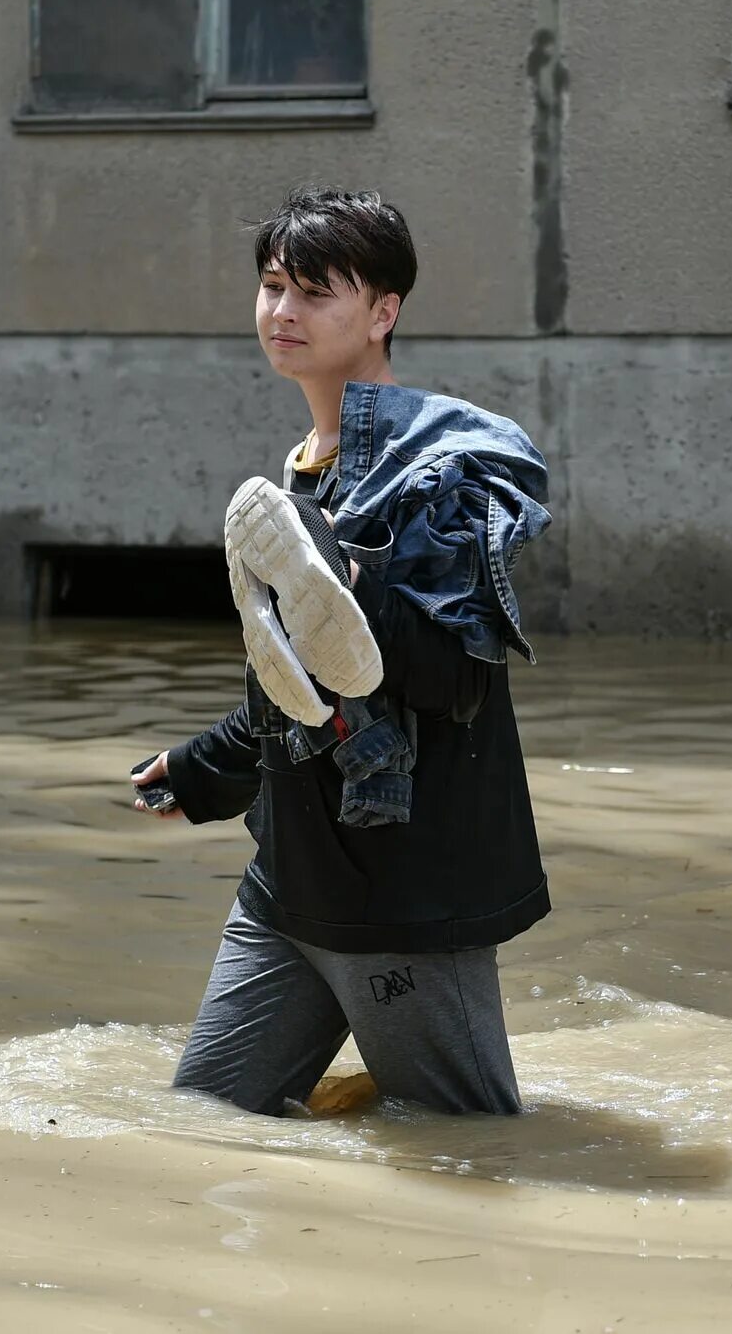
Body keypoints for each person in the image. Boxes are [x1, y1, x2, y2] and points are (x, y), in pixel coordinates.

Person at [130, 188, 553, 1114]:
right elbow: (286, 684)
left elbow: (451, 675)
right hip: (287, 882)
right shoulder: (297, 470)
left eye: (316, 291)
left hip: (403, 892)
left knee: (465, 1152)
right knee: (203, 1120)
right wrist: (204, 768)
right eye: (273, 285)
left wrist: (353, 589)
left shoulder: (448, 464)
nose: (283, 311)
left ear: (384, 310)